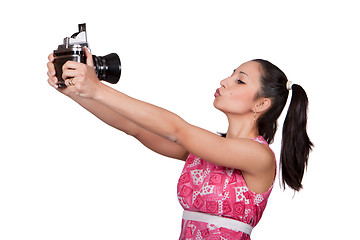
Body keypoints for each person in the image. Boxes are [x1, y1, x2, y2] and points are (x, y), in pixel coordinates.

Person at [47, 47, 313, 240]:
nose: (224, 81)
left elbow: (177, 130)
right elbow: (134, 127)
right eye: (231, 74)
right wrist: (73, 91)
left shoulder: (258, 155)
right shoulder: (204, 150)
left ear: (261, 104)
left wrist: (97, 88)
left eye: (239, 80)